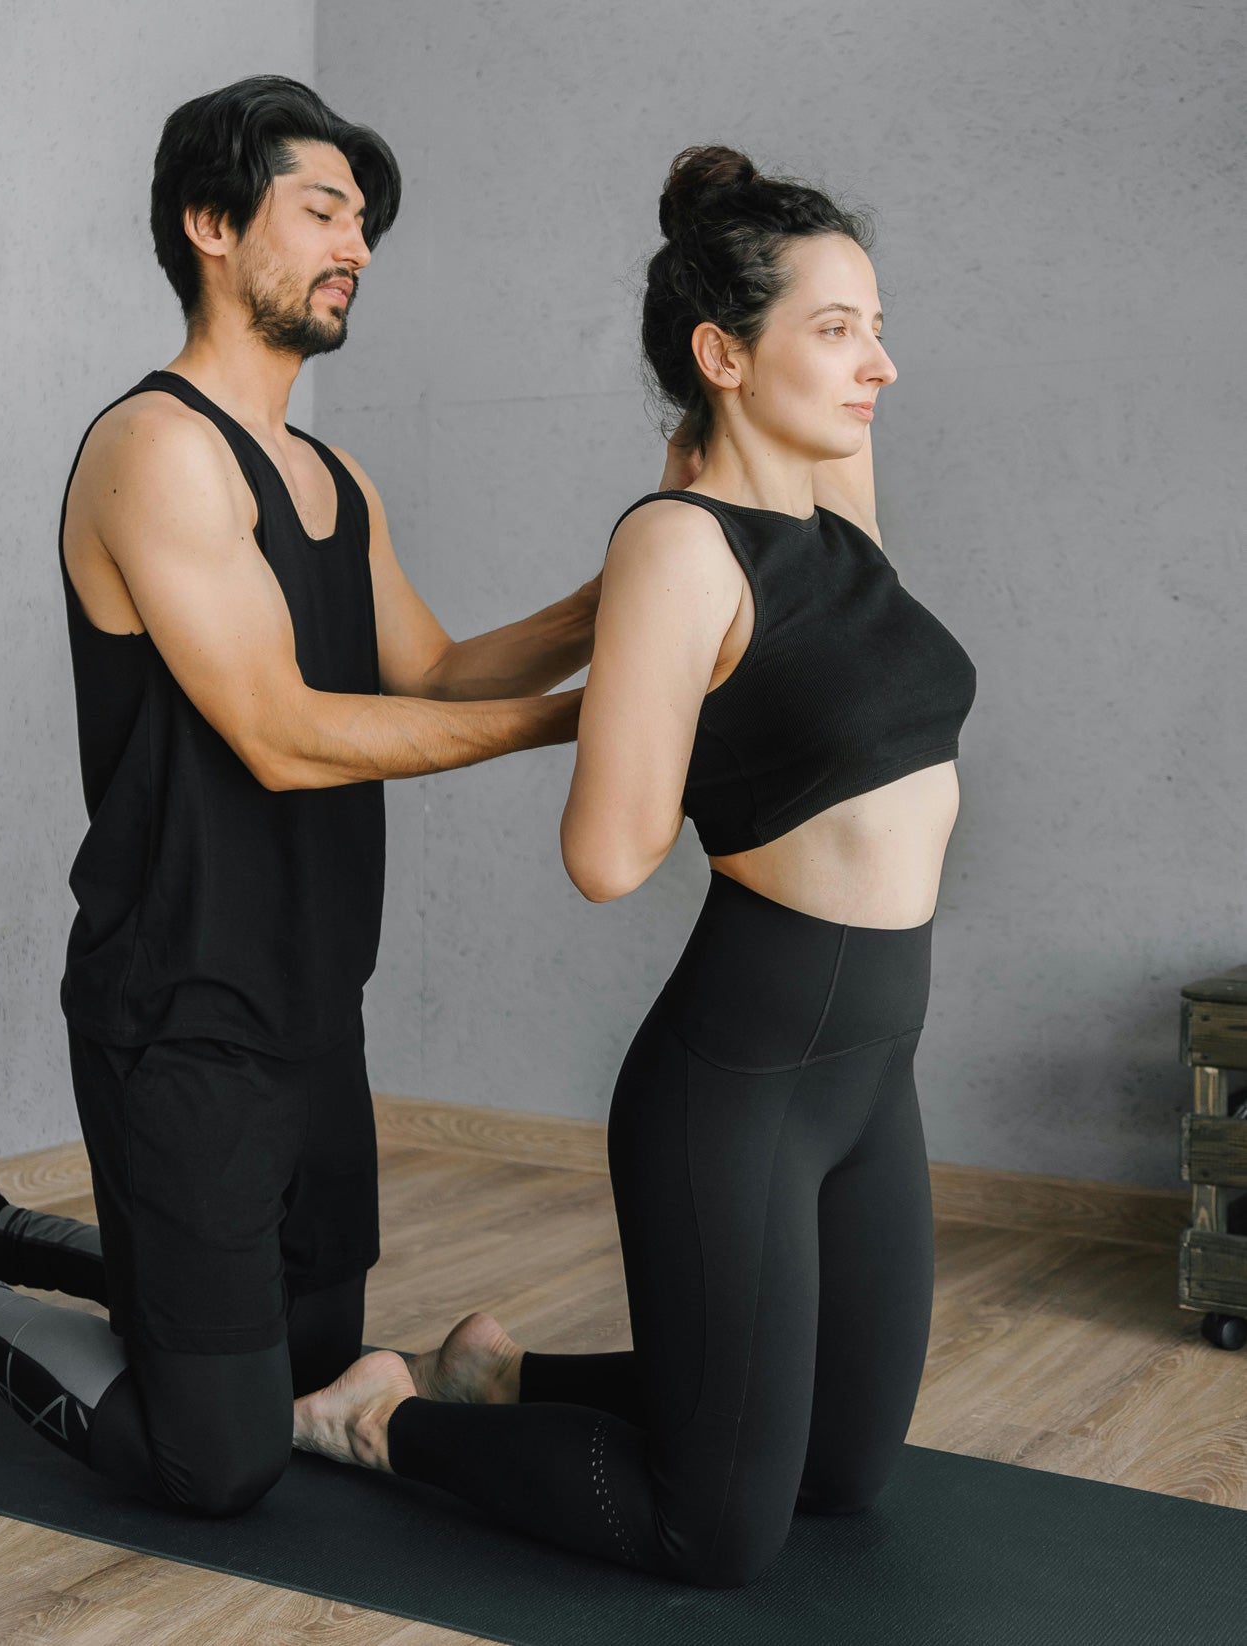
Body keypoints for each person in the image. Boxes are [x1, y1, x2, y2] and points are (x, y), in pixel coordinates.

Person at [0, 75, 601, 1518]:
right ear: (209, 224)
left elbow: (427, 672)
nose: (354, 244)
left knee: (305, 1355)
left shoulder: (330, 473)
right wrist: (578, 723)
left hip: (310, 1001)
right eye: (321, 210)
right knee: (221, 1449)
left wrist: (621, 601)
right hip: (176, 1006)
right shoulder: (156, 449)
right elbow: (284, 733)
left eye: (362, 222)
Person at [292, 143, 979, 1587]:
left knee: (843, 1474)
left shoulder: (831, 520)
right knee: (716, 1527)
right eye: (839, 330)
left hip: (872, 1069)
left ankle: (505, 1371)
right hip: (739, 1076)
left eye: (877, 323)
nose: (881, 365)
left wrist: (740, 235)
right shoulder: (677, 544)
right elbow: (608, 857)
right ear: (724, 354)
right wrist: (638, 692)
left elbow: (808, 452)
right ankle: (384, 1419)